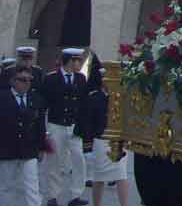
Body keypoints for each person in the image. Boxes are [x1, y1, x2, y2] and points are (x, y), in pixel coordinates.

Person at [78, 54, 129, 206]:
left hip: (119, 141)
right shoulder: (95, 97)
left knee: (121, 174)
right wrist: (88, 145)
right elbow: (88, 122)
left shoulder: (123, 97)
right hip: (100, 141)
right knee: (99, 177)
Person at [41, 47, 88, 206]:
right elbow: (44, 105)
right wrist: (44, 129)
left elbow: (82, 104)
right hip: (56, 124)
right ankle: (52, 195)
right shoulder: (51, 79)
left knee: (78, 159)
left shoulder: (81, 78)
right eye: (77, 60)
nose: (79, 64)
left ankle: (76, 194)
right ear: (69, 61)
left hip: (74, 126)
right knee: (54, 161)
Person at [0, 65, 48, 206]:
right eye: (22, 80)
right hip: (7, 149)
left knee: (32, 186)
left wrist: (41, 147)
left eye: (29, 80)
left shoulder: (36, 98)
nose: (26, 83)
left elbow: (40, 125)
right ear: (13, 81)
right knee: (7, 187)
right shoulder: (3, 98)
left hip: (29, 149)